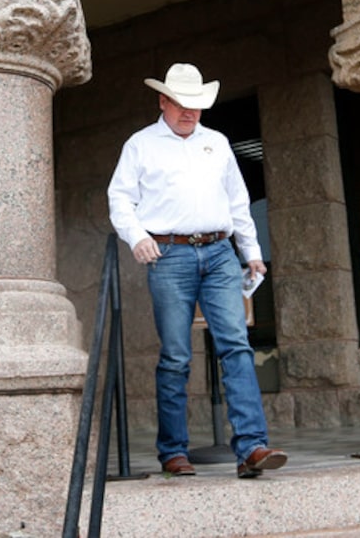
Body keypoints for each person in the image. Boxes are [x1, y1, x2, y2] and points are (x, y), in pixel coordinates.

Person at [107, 63, 288, 479]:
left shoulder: (218, 142)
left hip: (221, 253)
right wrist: (136, 236)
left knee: (237, 346)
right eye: (183, 104)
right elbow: (119, 198)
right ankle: (173, 451)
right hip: (169, 256)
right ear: (163, 101)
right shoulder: (140, 145)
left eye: (198, 106)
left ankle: (252, 448)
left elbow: (238, 201)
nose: (191, 113)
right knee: (175, 356)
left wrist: (252, 251)